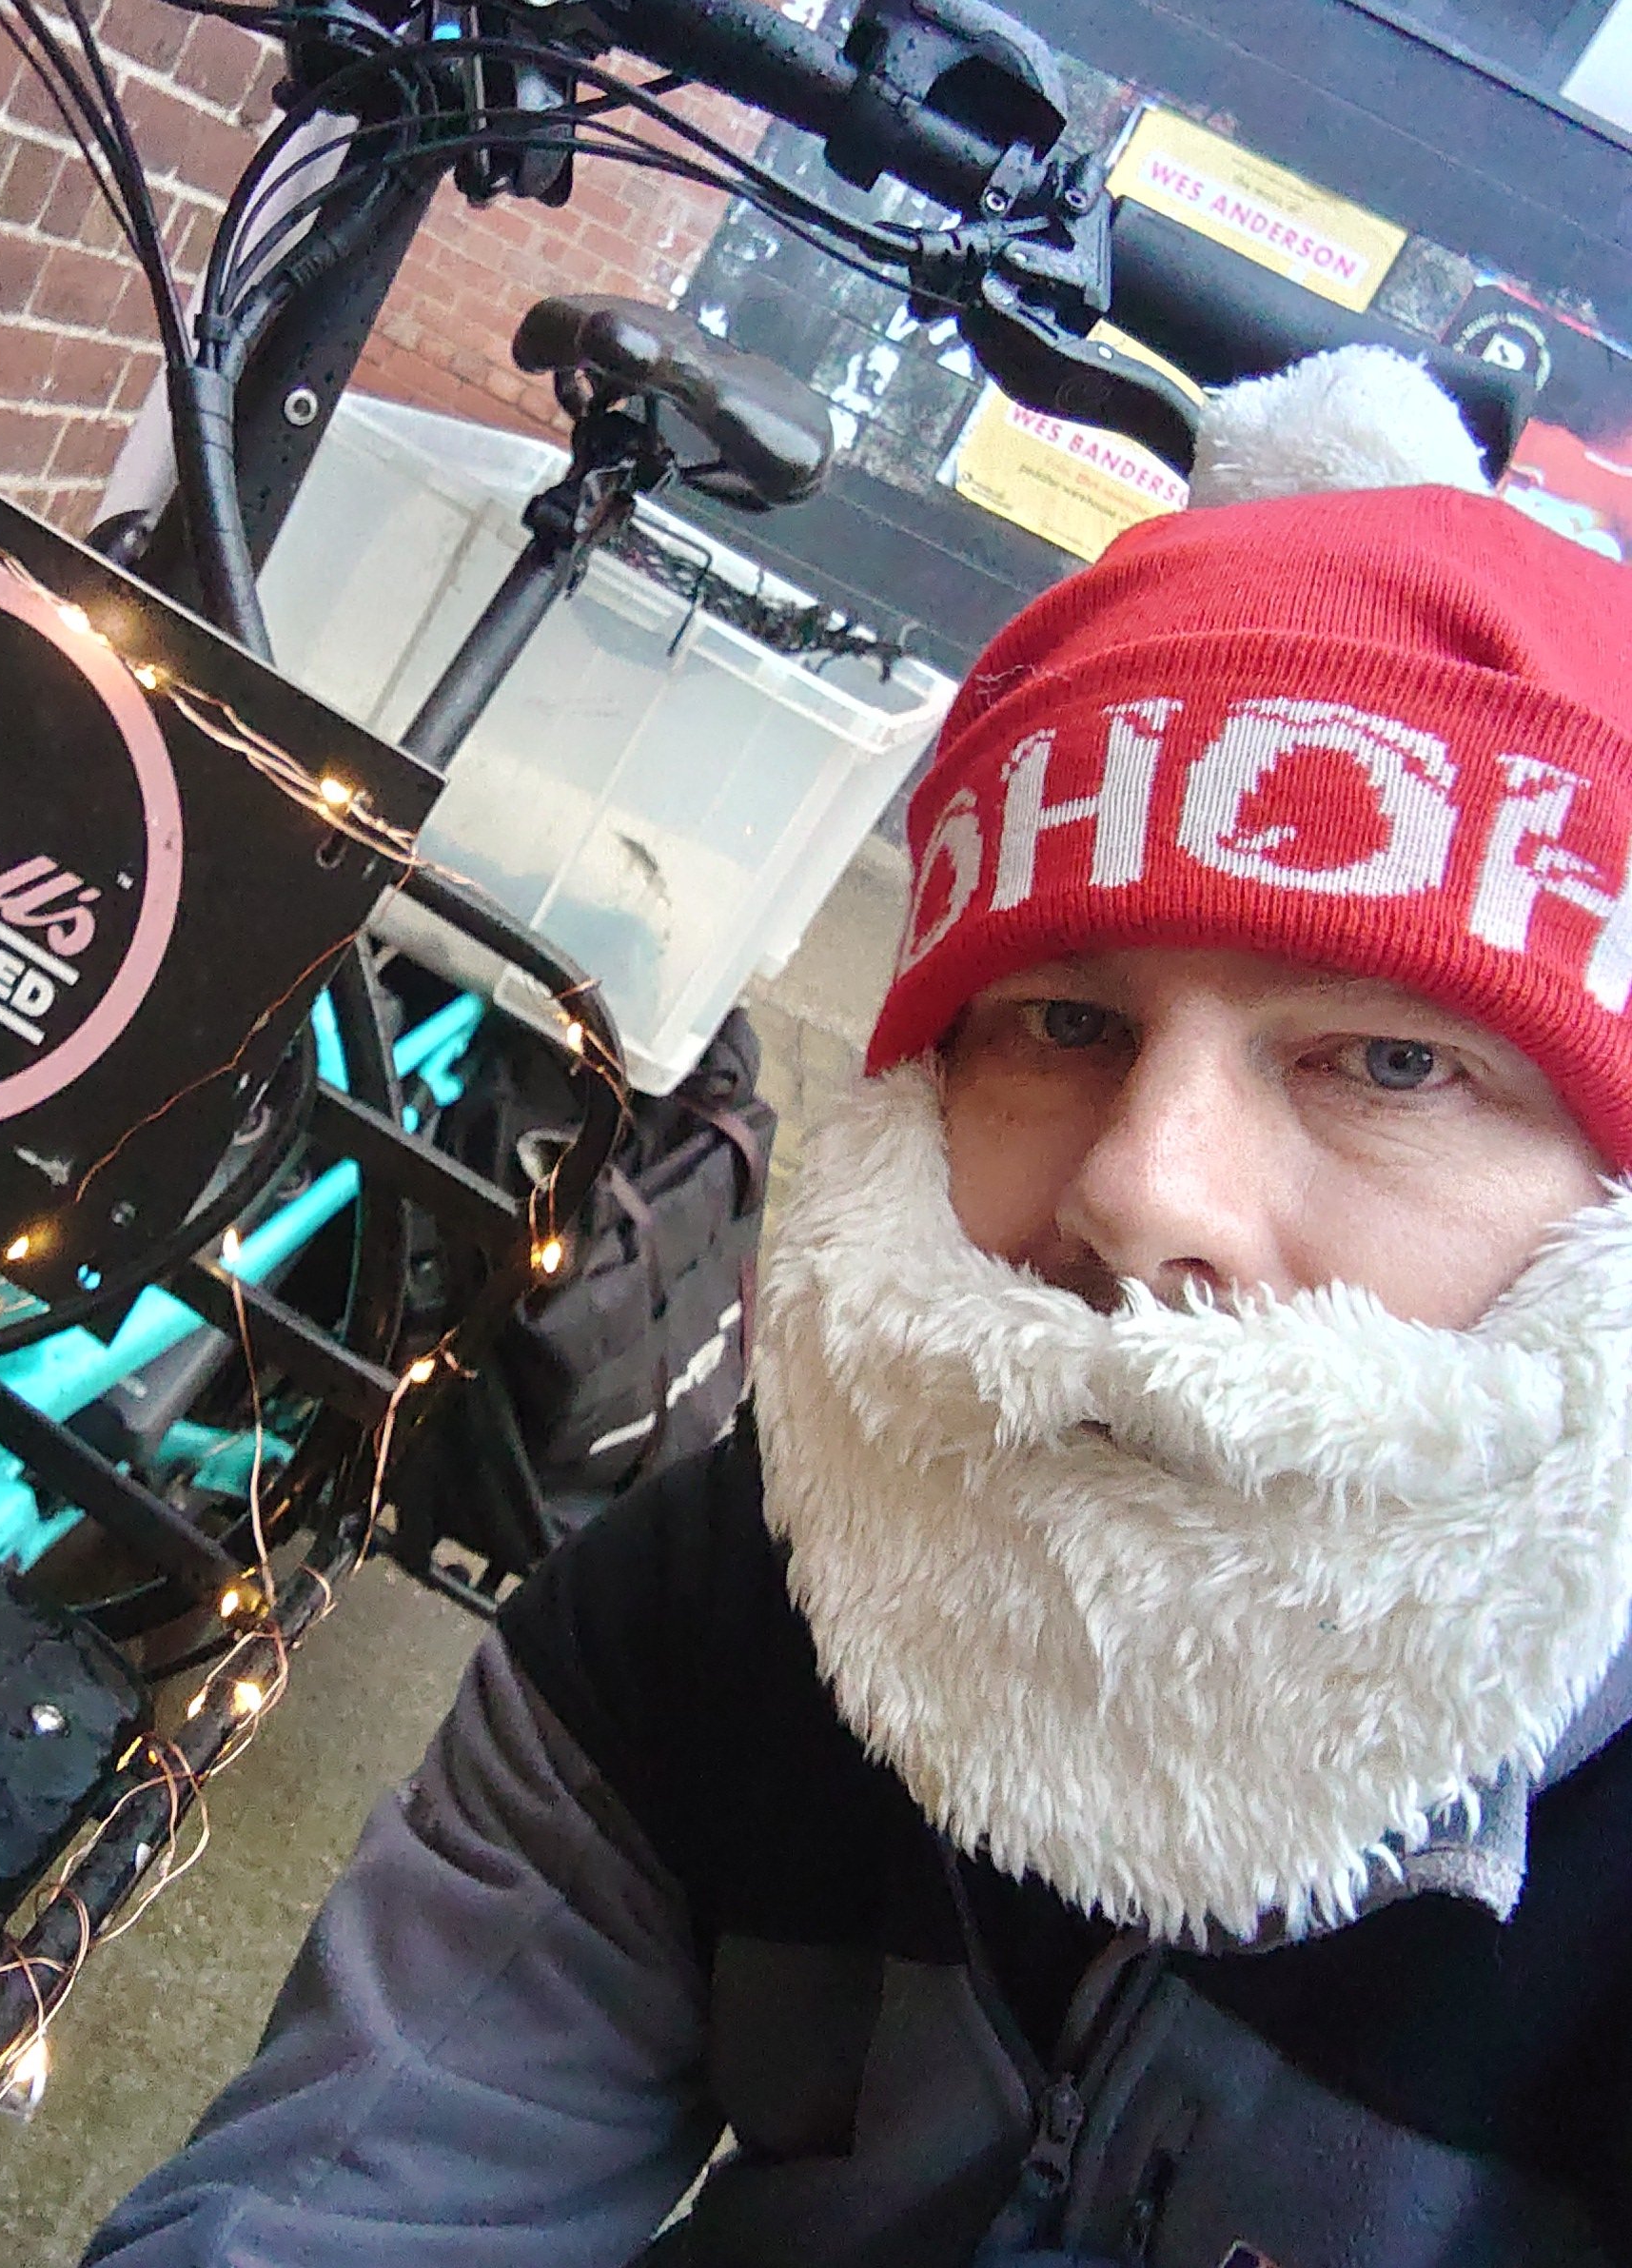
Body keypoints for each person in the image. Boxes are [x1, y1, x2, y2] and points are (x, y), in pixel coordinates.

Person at [83, 349, 1632, 2268]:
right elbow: (364, 2198)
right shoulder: (743, 1593)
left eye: (1391, 1062)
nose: (1140, 1191)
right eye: (1064, 1019)